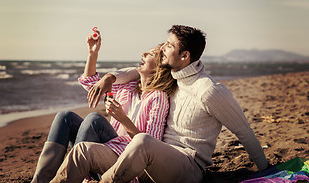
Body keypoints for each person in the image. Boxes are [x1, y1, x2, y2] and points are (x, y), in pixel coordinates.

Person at [79, 25, 269, 183]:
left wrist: (267, 171)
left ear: (185, 56)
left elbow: (243, 131)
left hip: (188, 166)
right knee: (87, 135)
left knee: (141, 141)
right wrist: (109, 77)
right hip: (156, 158)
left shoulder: (209, 90)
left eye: (169, 46)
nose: (162, 48)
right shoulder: (174, 77)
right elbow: (138, 71)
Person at [36, 31, 177, 183]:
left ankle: (79, 176)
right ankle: (40, 180)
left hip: (125, 156)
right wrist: (92, 54)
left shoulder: (158, 98)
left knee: (94, 119)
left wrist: (123, 119)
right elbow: (92, 86)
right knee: (65, 117)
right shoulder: (128, 86)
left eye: (150, 54)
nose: (143, 54)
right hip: (107, 146)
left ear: (159, 67)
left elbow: (151, 145)